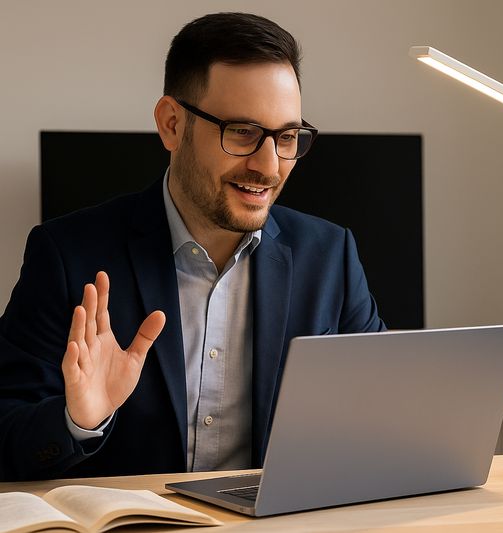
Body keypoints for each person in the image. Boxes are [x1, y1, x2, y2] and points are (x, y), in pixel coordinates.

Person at [0, 12, 384, 481]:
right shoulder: (65, 255)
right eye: (242, 132)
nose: (269, 166)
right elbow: (6, 435)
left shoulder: (331, 257)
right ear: (171, 125)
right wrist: (79, 421)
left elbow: (381, 420)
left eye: (286, 138)